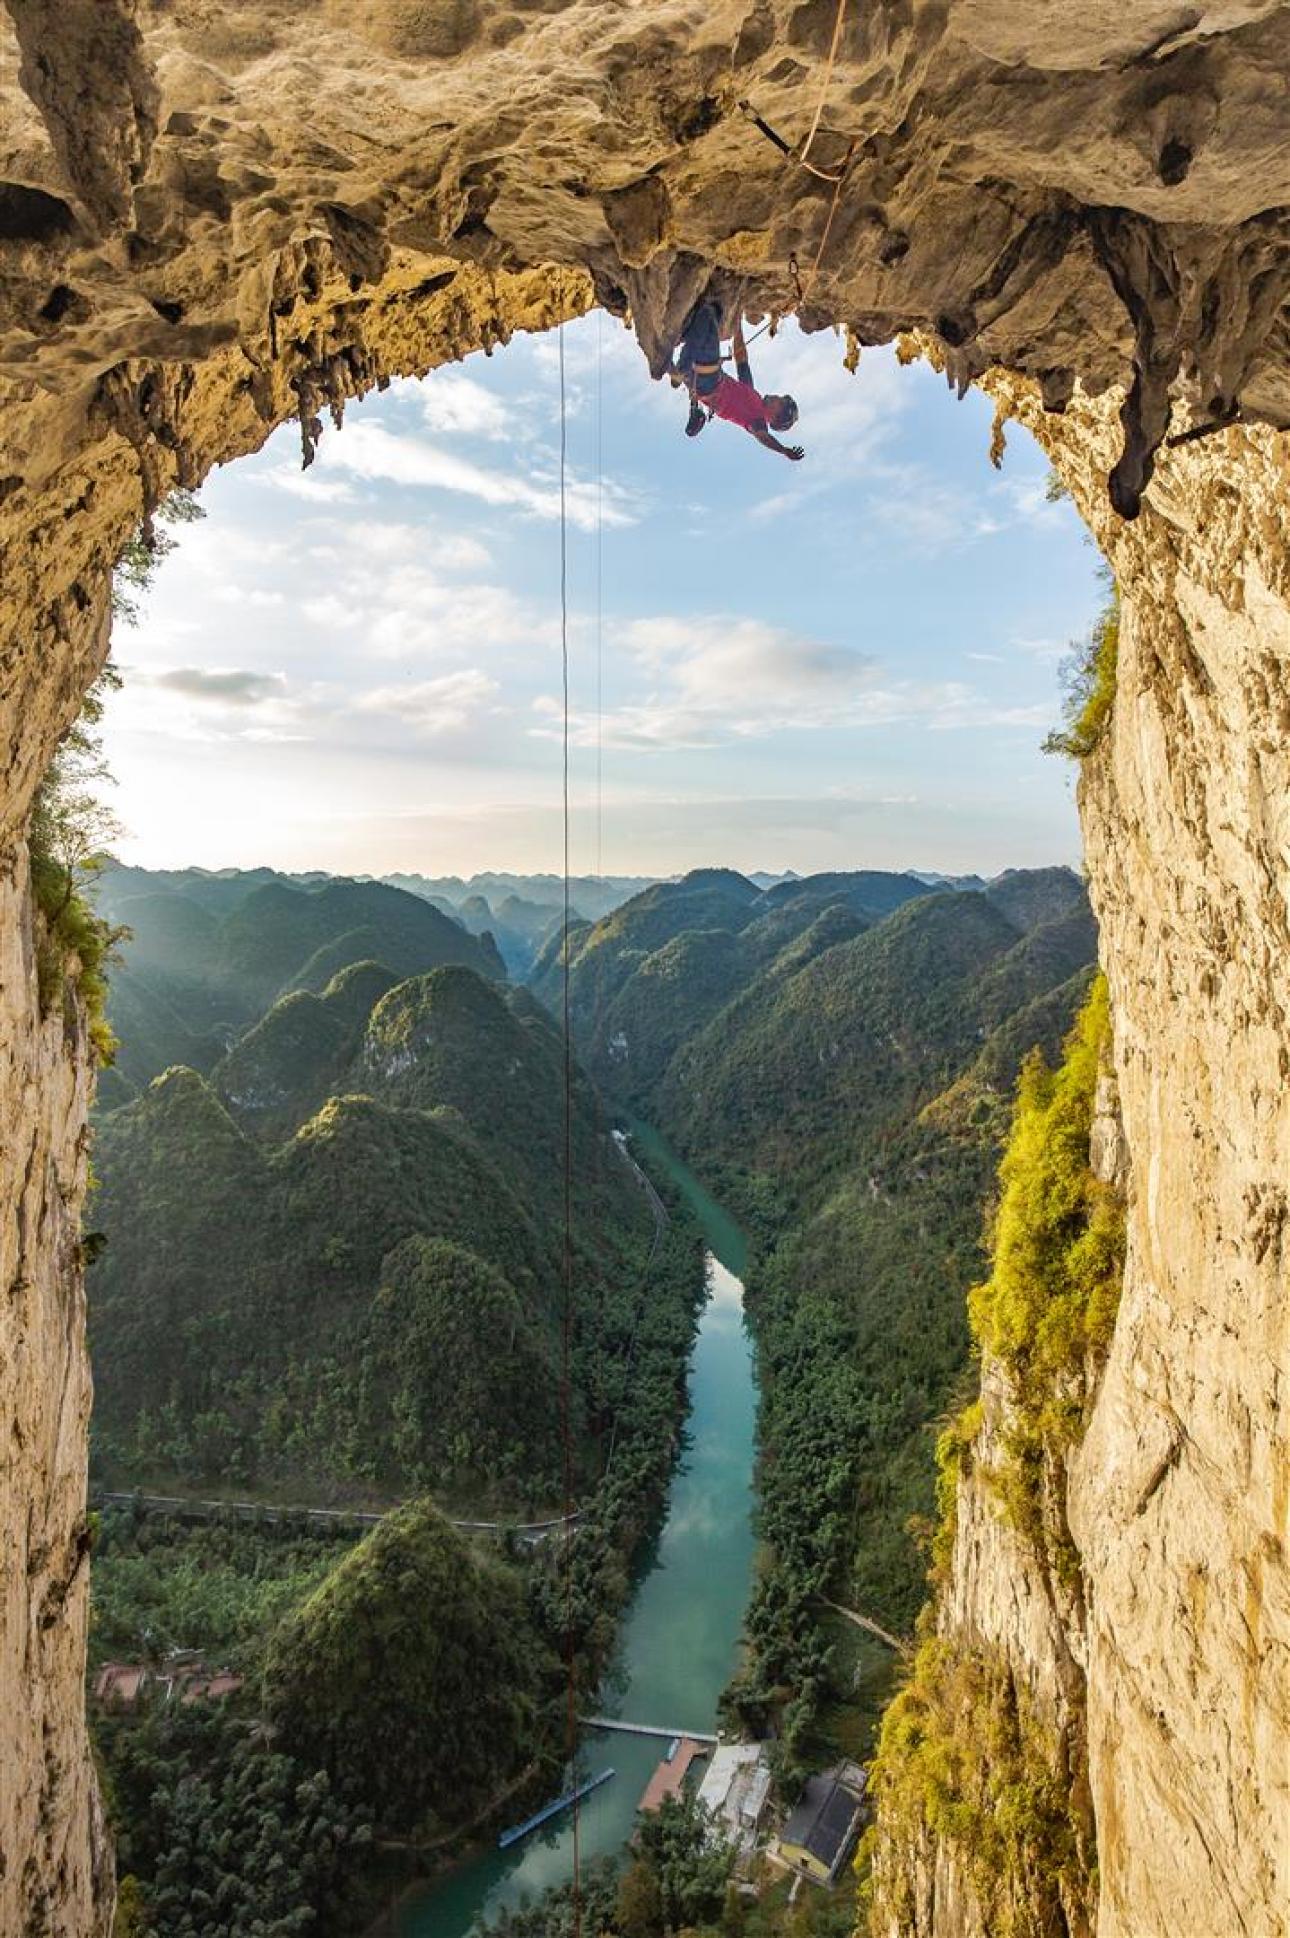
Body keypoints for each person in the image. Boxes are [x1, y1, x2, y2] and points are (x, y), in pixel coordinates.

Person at [672, 299, 804, 460]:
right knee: (712, 313)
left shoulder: (757, 421)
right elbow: (741, 358)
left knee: (709, 314)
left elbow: (763, 437)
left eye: (780, 401)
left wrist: (783, 450)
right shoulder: (751, 393)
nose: (777, 396)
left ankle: (679, 366)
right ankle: (678, 365)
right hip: (705, 378)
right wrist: (737, 325)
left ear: (775, 416)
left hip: (709, 383)